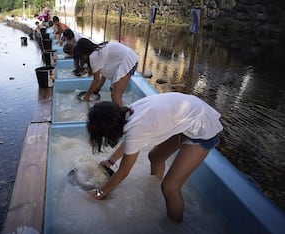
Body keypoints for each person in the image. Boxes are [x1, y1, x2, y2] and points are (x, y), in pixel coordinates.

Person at [85, 92, 223, 222]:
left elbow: (123, 172)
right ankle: (155, 191)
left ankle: (176, 227)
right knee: (154, 157)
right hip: (190, 116)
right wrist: (110, 161)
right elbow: (131, 140)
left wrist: (99, 193)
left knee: (170, 187)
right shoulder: (128, 113)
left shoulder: (136, 128)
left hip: (203, 128)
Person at [74, 38, 138, 107]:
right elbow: (105, 73)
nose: (83, 59)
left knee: (115, 94)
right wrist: (98, 88)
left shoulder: (94, 56)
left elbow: (96, 79)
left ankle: (120, 116)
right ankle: (117, 111)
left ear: (84, 52)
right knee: (113, 90)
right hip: (128, 56)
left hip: (128, 59)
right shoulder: (99, 50)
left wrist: (87, 95)